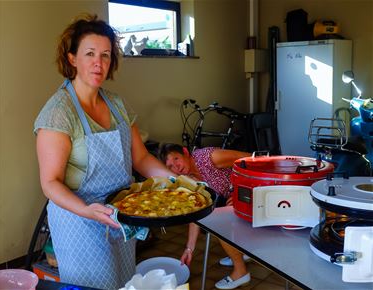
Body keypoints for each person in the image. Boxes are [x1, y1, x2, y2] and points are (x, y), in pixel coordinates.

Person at [34, 14, 174, 290]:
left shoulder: (117, 104)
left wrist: (179, 183)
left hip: (120, 215)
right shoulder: (59, 113)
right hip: (80, 221)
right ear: (72, 58)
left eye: (106, 55)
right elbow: (50, 183)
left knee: (124, 282)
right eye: (90, 54)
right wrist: (88, 210)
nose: (99, 63)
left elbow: (142, 158)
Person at [158, 143, 252, 290]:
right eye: (170, 166)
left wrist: (239, 193)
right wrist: (189, 249)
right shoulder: (188, 179)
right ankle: (240, 253)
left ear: (185, 152)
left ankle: (241, 272)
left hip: (252, 192)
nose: (175, 167)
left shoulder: (207, 157)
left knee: (221, 225)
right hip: (229, 201)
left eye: (176, 159)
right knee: (216, 216)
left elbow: (251, 160)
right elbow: (196, 214)